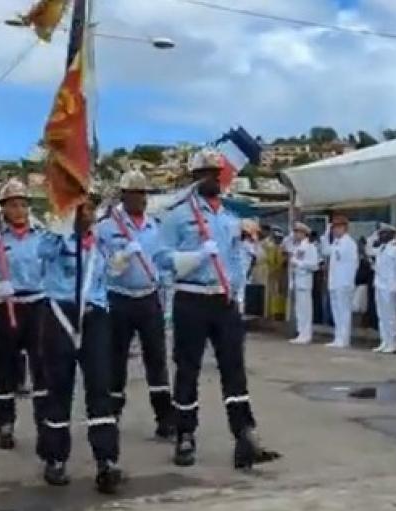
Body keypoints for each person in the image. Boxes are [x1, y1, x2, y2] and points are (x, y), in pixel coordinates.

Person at [156, 148, 274, 468]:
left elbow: (234, 259)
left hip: (223, 301)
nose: (213, 178)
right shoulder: (178, 216)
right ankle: (185, 435)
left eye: (217, 172)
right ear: (195, 178)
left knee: (234, 370)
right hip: (191, 298)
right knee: (188, 370)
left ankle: (244, 435)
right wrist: (192, 258)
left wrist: (238, 281)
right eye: (206, 173)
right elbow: (161, 259)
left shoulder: (228, 218)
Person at [35, 199, 122, 492]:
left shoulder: (100, 242)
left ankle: (106, 459)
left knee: (100, 387)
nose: (89, 215)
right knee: (59, 388)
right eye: (83, 210)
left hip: (94, 315)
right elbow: (42, 253)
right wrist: (61, 226)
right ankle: (55, 458)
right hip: (60, 313)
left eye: (91, 210)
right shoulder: (57, 238)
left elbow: (111, 270)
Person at [0, 179, 48, 451]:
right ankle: (4, 423)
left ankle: (46, 421)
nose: (19, 209)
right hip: (3, 306)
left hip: (36, 304)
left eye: (23, 204)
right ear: (2, 208)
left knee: (43, 367)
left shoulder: (42, 234)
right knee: (2, 368)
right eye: (13, 204)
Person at [96, 170, 174, 441]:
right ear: (123, 195)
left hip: (149, 297)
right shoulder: (107, 227)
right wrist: (121, 258)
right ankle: (112, 414)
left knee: (157, 359)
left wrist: (164, 282)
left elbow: (163, 259)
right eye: (135, 193)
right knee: (115, 360)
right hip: (119, 297)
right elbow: (103, 266)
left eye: (144, 193)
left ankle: (165, 418)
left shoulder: (155, 226)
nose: (140, 199)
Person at [324, 215, 359, 349]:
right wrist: (326, 234)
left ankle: (344, 339)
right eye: (334, 228)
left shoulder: (348, 243)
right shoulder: (337, 242)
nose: (335, 230)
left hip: (344, 282)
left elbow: (349, 263)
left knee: (343, 311)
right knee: (336, 311)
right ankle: (338, 337)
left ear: (345, 228)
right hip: (335, 282)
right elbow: (325, 250)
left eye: (338, 227)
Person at [371, 224, 396, 353]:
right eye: (380, 234)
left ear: (392, 234)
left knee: (390, 316)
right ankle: (384, 341)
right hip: (379, 285)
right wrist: (373, 238)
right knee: (381, 315)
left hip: (390, 286)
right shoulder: (381, 248)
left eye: (384, 233)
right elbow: (368, 250)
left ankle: (392, 343)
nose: (381, 236)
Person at [288, 222, 320, 345]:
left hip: (305, 281)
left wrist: (298, 263)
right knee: (299, 310)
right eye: (295, 232)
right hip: (298, 281)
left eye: (298, 232)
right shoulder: (298, 247)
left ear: (304, 233)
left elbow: (314, 265)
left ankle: (306, 334)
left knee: (305, 309)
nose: (295, 234)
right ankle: (301, 332)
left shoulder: (309, 247)